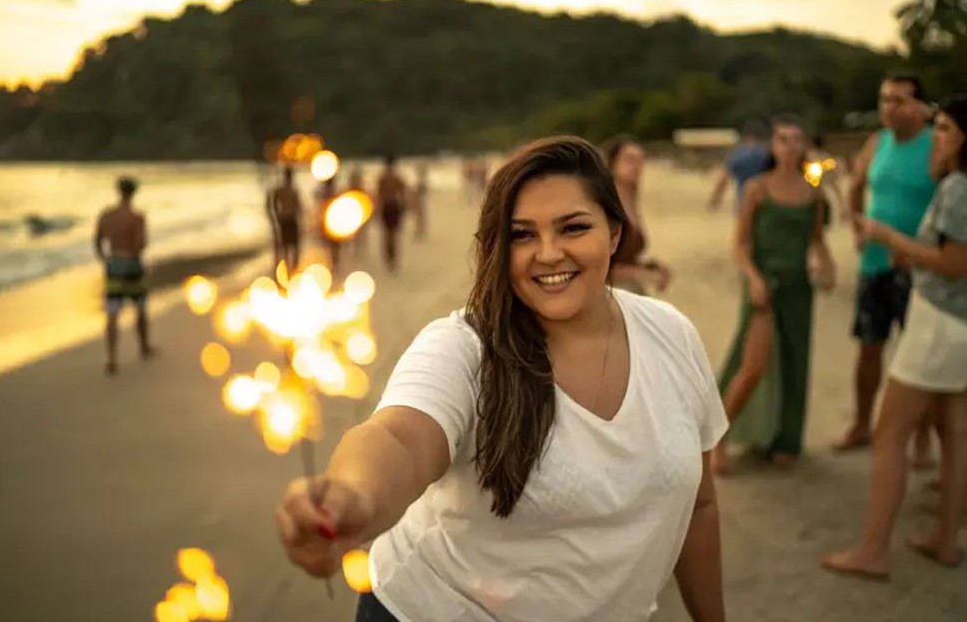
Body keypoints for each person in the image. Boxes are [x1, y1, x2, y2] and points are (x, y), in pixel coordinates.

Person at [276, 136, 729, 622]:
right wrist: (353, 498)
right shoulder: (465, 347)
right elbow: (400, 439)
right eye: (522, 235)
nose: (549, 254)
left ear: (615, 234)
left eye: (573, 228)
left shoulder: (672, 336)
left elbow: (698, 505)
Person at [822, 94, 967, 579]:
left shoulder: (958, 188)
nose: (937, 137)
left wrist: (893, 240)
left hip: (939, 324)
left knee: (889, 433)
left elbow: (954, 263)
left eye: (945, 128)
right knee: (957, 432)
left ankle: (873, 550)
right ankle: (945, 541)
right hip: (959, 322)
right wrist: (918, 254)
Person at [710, 115, 836, 474]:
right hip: (763, 285)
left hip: (798, 286)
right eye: (782, 139)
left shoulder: (813, 191)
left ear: (803, 146)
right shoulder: (757, 188)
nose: (789, 146)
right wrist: (753, 278)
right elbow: (740, 245)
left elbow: (816, 240)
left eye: (796, 140)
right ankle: (718, 437)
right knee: (753, 365)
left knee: (797, 359)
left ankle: (787, 440)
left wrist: (827, 268)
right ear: (772, 145)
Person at [834, 73, 937, 467]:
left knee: (920, 358)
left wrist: (924, 249)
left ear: (920, 106)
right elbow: (856, 186)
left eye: (898, 100)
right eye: (884, 99)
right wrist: (857, 225)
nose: (889, 108)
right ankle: (861, 423)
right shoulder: (877, 143)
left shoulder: (936, 145)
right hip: (874, 264)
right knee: (869, 347)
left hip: (919, 268)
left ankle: (923, 440)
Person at [94, 176, 156, 375]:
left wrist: (106, 259)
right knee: (140, 308)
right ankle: (144, 346)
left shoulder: (107, 215)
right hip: (131, 263)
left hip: (113, 263)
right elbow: (140, 244)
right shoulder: (136, 217)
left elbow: (97, 241)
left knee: (112, 312)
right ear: (134, 193)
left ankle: (112, 358)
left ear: (118, 191)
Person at [601, 134, 671, 294]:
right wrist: (640, 274)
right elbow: (599, 265)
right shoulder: (607, 203)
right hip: (610, 293)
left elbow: (624, 257)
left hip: (629, 291)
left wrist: (651, 266)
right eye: (630, 159)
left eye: (641, 160)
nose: (637, 166)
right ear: (613, 162)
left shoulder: (629, 199)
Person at [707, 120, 770, 212]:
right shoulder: (769, 154)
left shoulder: (738, 154)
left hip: (743, 202)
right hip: (767, 202)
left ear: (747, 136)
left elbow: (724, 179)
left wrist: (715, 199)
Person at [267, 165, 303, 274]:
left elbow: (298, 206)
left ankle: (292, 268)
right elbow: (271, 202)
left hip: (288, 218)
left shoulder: (289, 189)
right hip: (286, 218)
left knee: (291, 246)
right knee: (288, 246)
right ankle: (289, 268)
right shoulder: (286, 190)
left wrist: (274, 215)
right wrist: (274, 215)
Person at [376, 155, 408, 272]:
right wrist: (404, 206)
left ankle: (389, 257)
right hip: (394, 206)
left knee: (387, 234)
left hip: (386, 206)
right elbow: (403, 193)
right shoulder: (397, 178)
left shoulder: (382, 178)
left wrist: (377, 211)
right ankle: (392, 258)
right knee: (393, 234)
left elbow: (379, 196)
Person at [413, 162, 430, 240]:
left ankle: (420, 231)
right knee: (421, 216)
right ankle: (421, 231)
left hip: (420, 200)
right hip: (422, 199)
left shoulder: (421, 181)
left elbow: (420, 191)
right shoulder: (423, 180)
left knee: (419, 217)